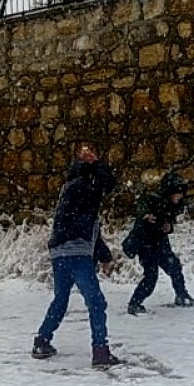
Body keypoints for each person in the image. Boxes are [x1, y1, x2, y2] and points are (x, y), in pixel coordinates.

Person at [31, 145, 124, 368]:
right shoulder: (83, 187)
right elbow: (107, 183)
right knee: (96, 301)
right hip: (76, 253)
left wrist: (104, 256)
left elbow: (91, 231)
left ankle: (42, 341)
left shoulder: (70, 191)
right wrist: (96, 164)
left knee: (61, 299)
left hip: (60, 252)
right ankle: (100, 350)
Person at [126, 171, 194, 315]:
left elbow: (168, 221)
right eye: (177, 192)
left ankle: (182, 295)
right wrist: (145, 215)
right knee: (151, 277)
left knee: (174, 268)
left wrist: (168, 226)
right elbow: (142, 205)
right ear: (170, 191)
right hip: (147, 245)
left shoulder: (173, 205)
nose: (180, 196)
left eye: (181, 193)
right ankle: (134, 303)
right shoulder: (154, 200)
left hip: (160, 243)